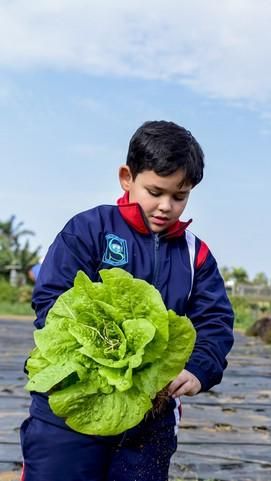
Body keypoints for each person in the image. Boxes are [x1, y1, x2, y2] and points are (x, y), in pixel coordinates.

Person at [20, 120, 235, 481]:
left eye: (179, 196)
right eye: (155, 191)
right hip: (71, 404)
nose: (166, 206)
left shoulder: (194, 254)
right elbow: (52, 302)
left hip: (149, 416)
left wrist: (199, 369)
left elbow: (214, 321)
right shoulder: (89, 230)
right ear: (126, 177)